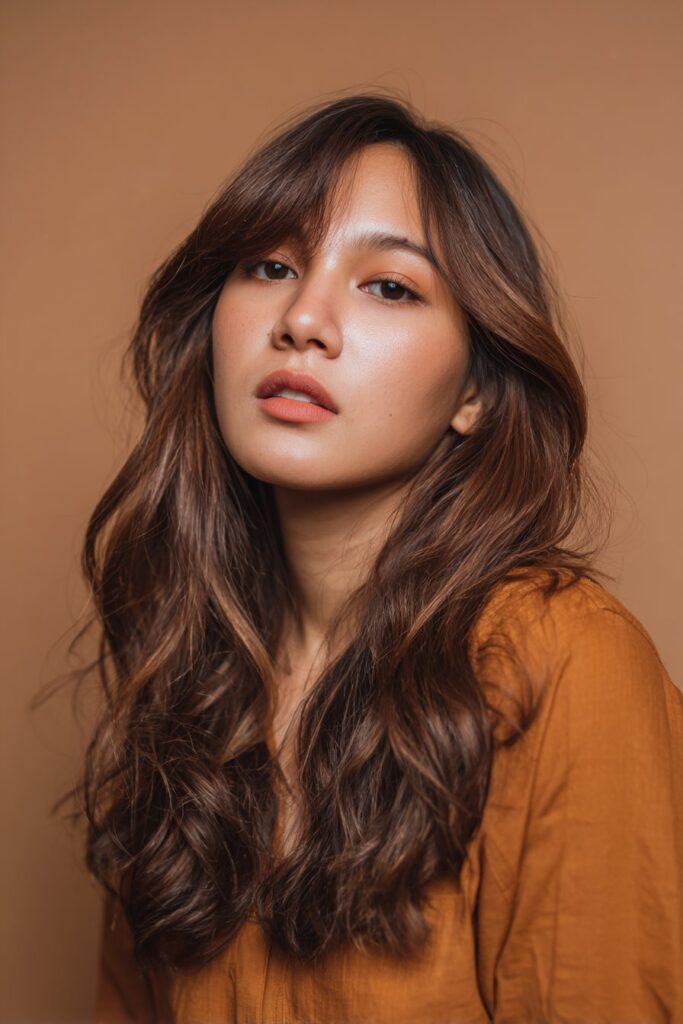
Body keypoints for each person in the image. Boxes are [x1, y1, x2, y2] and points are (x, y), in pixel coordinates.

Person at [81, 93, 683, 1022]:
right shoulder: (188, 680)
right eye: (270, 265)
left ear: (475, 393)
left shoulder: (560, 660)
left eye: (389, 286)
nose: (303, 319)